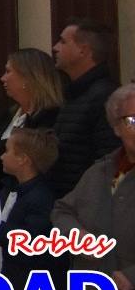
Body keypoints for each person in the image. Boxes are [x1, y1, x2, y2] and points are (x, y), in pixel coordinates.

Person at [51, 83, 135, 290]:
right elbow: (62, 210)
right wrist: (78, 236)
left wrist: (132, 276)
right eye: (131, 120)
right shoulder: (99, 171)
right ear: (116, 127)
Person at [0, 127, 62, 290]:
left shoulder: (41, 198)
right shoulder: (10, 189)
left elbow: (30, 244)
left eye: (7, 151)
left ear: (23, 159)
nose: (2, 156)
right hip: (7, 285)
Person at [0, 48, 62, 193]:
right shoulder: (10, 114)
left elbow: (26, 158)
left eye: (8, 71)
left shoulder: (48, 118)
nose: (2, 78)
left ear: (27, 77)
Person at [49, 17, 121, 196]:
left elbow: (109, 158)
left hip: (88, 205)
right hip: (68, 201)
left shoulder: (105, 97)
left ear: (83, 50)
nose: (55, 48)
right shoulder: (74, 94)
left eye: (63, 42)